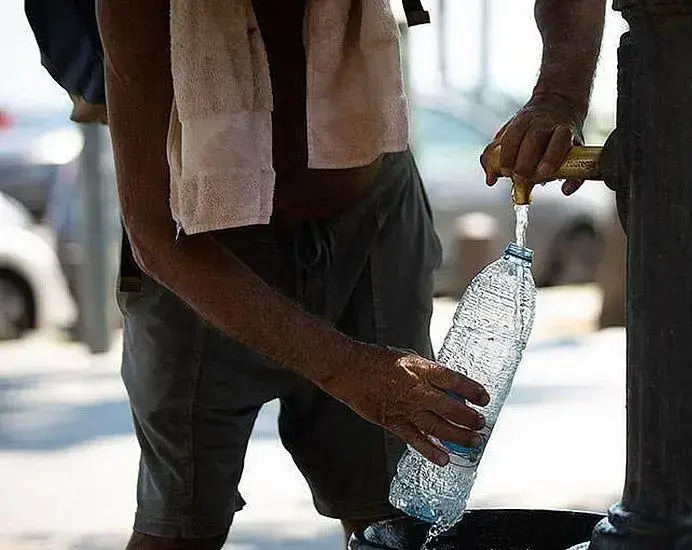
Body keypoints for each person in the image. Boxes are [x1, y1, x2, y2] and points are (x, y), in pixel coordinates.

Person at [95, 0, 606, 548]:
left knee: (395, 522)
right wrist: (347, 369)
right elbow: (154, 237)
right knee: (177, 529)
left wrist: (560, 97)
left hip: (370, 212)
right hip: (201, 241)